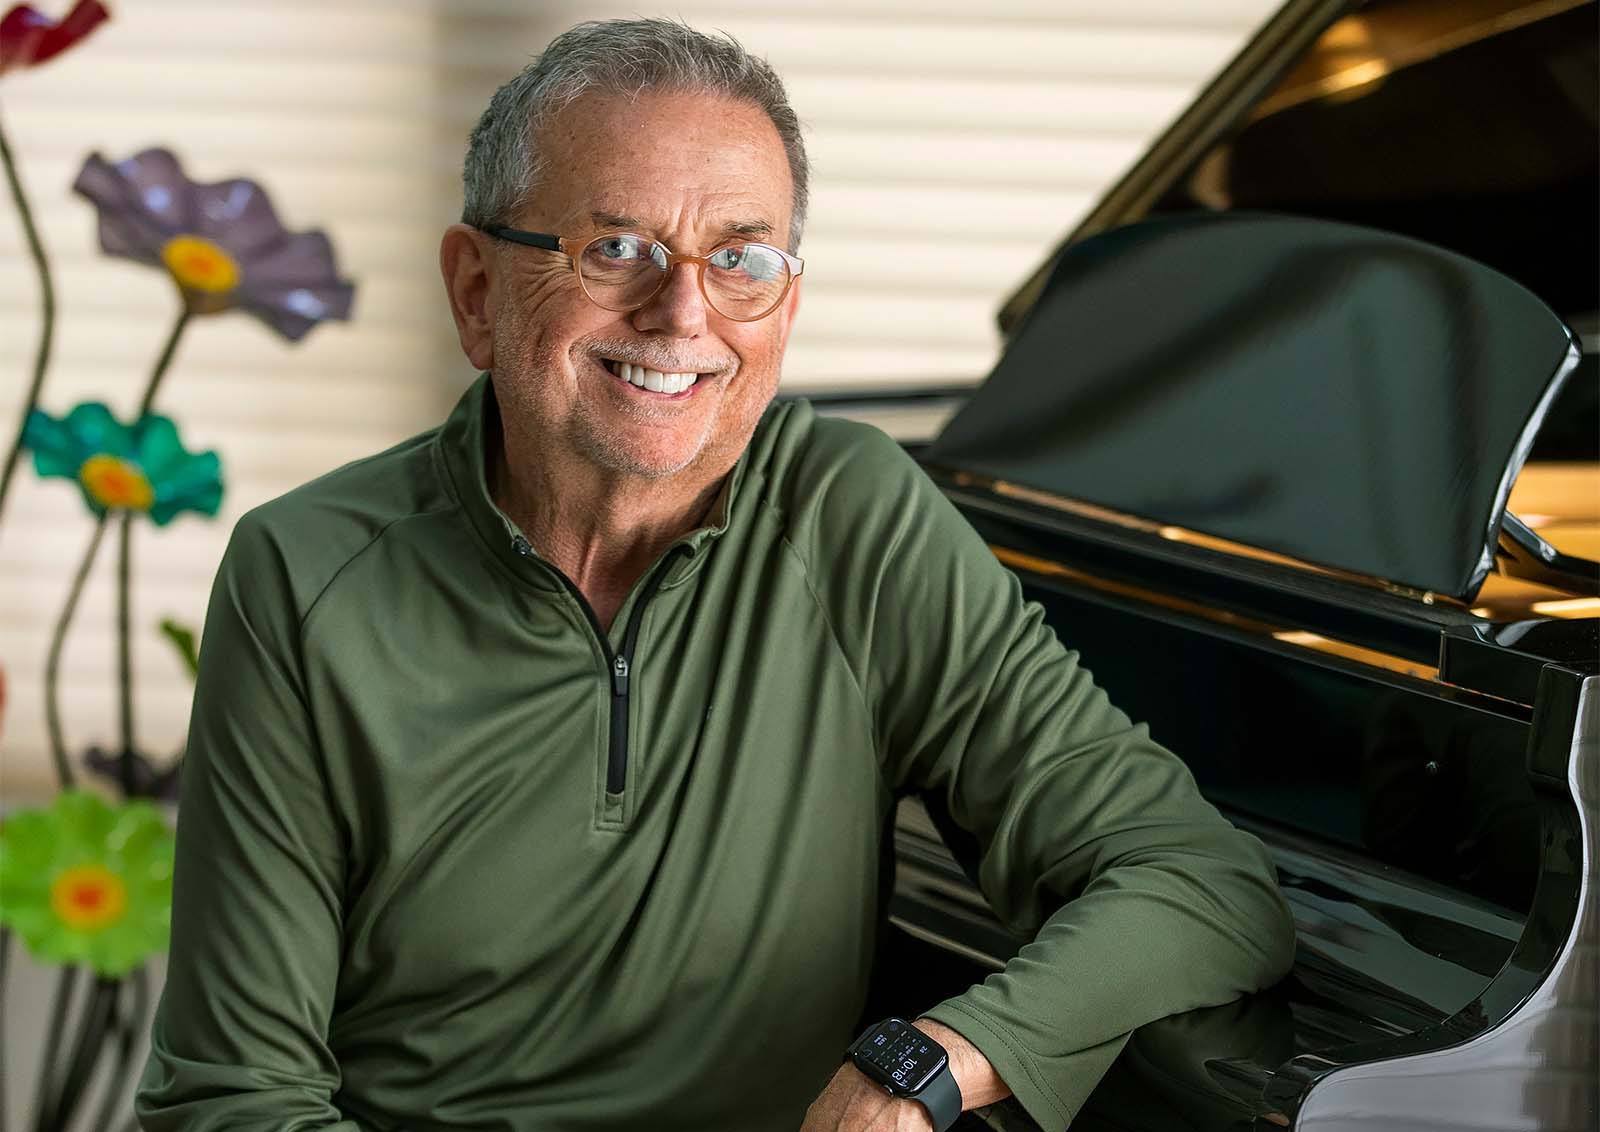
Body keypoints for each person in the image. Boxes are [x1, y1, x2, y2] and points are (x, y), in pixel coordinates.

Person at [135, 18, 1295, 1132]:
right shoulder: (305, 573)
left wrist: (931, 1062)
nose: (682, 312)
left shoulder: (853, 515)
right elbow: (235, 1098)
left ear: (785, 300)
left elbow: (1197, 884)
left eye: (740, 258)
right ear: (477, 292)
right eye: (617, 248)